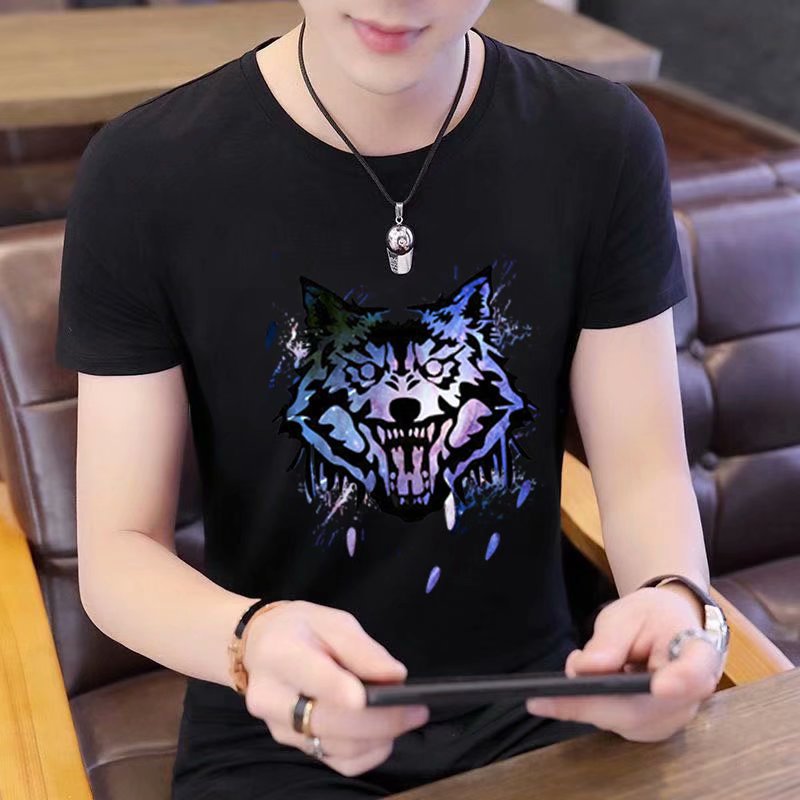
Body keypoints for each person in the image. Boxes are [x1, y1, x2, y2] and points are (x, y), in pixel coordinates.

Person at [54, 2, 728, 798]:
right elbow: (118, 551)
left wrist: (680, 608)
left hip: (546, 701)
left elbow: (647, 475)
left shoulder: (600, 140)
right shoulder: (143, 173)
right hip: (275, 723)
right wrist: (249, 641)